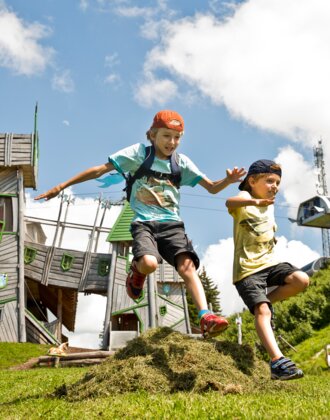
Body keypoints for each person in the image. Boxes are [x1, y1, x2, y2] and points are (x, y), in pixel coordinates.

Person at [35, 109, 245, 338]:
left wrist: (229, 180)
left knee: (187, 267)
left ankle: (206, 316)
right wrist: (61, 186)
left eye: (177, 137)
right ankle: (136, 271)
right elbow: (99, 170)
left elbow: (212, 187)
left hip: (172, 225)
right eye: (166, 136)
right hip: (144, 223)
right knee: (150, 263)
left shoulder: (181, 163)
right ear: (152, 134)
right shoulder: (137, 154)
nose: (172, 142)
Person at [225, 159, 309, 380]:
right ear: (252, 181)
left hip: (270, 265)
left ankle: (266, 307)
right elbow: (230, 202)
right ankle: (277, 362)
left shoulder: (269, 206)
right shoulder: (246, 198)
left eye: (278, 182)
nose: (275, 186)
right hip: (247, 271)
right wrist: (254, 202)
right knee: (262, 312)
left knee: (301, 279)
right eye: (270, 181)